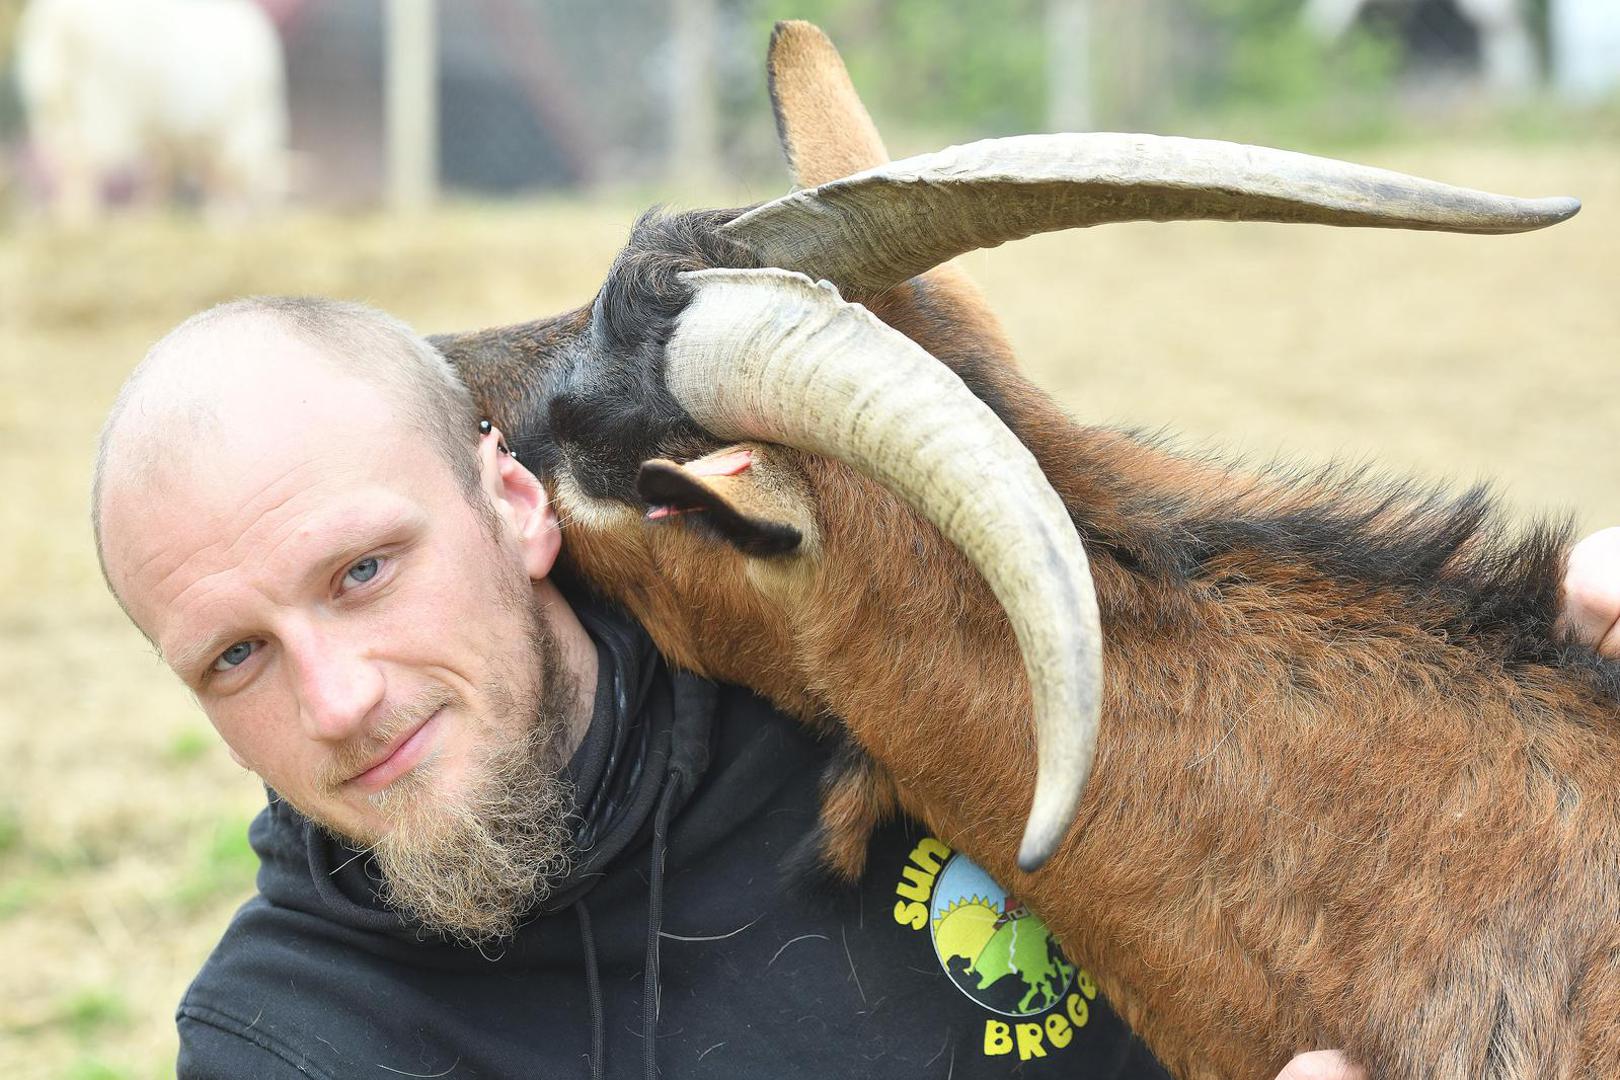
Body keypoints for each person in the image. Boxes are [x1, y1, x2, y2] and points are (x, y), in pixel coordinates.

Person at [92, 296, 1620, 1080]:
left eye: (365, 571)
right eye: (236, 658)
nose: (337, 699)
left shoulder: (851, 666)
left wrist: (1544, 642)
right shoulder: (294, 1041)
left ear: (514, 501)